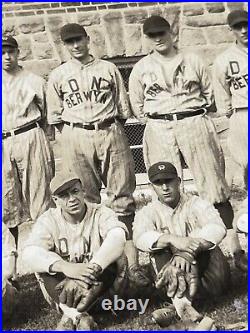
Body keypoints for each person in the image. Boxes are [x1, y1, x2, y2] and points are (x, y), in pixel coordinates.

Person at [129, 15, 245, 271]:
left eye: (162, 33)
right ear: (147, 38)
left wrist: (188, 112)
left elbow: (209, 94)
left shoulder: (193, 60)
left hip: (193, 120)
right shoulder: (140, 68)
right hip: (159, 125)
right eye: (152, 35)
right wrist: (161, 116)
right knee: (164, 187)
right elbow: (137, 106)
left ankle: (235, 251)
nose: (158, 38)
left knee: (214, 188)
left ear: (172, 33)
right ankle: (171, 254)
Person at [46, 23, 142, 280]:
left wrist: (109, 128)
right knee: (87, 200)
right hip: (75, 133)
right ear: (64, 46)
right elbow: (55, 117)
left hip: (109, 129)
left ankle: (132, 264)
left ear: (88, 40)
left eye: (79, 40)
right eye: (70, 42)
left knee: (122, 196)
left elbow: (123, 109)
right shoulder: (58, 75)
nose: (76, 45)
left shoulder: (109, 68)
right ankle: (102, 264)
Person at [23, 172, 129, 330]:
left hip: (101, 290)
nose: (72, 199)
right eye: (64, 195)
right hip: (64, 294)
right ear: (55, 200)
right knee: (44, 266)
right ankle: (78, 315)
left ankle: (73, 316)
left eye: (75, 191)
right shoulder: (49, 219)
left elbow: (118, 236)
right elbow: (29, 253)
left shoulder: (101, 212)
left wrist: (87, 272)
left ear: (83, 191)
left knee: (116, 257)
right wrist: (65, 267)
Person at [133, 162, 230, 328]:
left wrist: (187, 253)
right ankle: (184, 307)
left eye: (169, 181)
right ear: (151, 187)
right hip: (172, 279)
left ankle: (176, 307)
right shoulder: (148, 212)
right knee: (159, 249)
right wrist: (171, 239)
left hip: (209, 279)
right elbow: (139, 238)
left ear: (179, 181)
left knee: (208, 245)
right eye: (158, 183)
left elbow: (218, 227)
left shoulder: (196, 203)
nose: (165, 187)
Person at [2, 36, 54, 250]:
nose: (6, 56)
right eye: (2, 52)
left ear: (18, 52)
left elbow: (47, 116)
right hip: (3, 141)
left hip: (30, 134)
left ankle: (46, 257)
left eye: (10, 51)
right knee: (6, 202)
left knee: (40, 196)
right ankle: (10, 267)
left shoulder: (34, 80)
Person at [213, 10, 248, 189]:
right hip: (243, 112)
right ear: (231, 30)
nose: (243, 30)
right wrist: (229, 113)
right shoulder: (224, 60)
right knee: (246, 163)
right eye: (238, 27)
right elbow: (221, 92)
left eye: (246, 25)